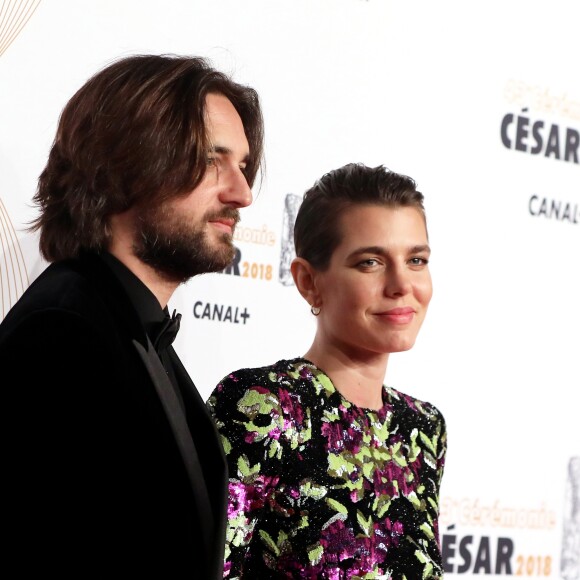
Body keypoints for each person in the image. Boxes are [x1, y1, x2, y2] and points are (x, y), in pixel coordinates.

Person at [0, 53, 264, 578]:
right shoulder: (60, 335)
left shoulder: (126, 328)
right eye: (214, 160)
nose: (243, 193)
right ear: (129, 163)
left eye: (243, 166)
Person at [208, 163, 447, 579]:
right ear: (308, 281)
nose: (401, 285)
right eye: (370, 262)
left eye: (416, 259)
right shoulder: (264, 407)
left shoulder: (423, 428)